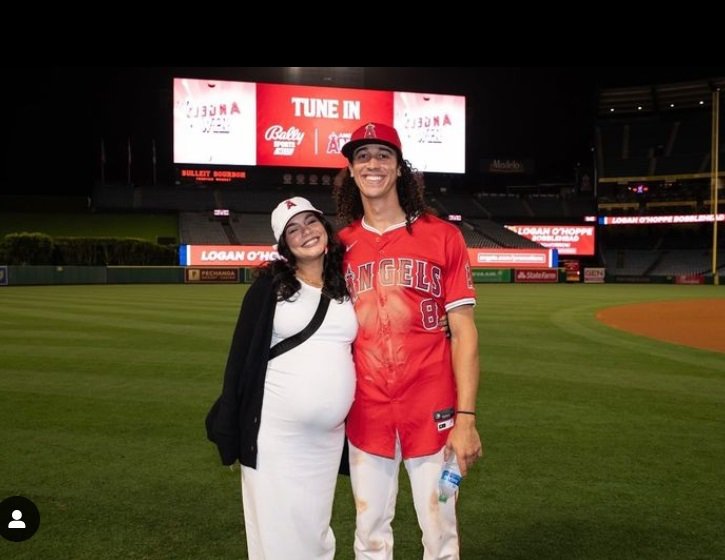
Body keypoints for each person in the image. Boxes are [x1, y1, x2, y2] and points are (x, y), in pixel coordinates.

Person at [334, 122, 483, 559]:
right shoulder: (340, 247)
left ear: (399, 168)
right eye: (363, 156)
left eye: (383, 155)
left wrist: (467, 417)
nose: (373, 164)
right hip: (366, 408)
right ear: (351, 169)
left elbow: (465, 331)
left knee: (440, 532)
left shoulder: (442, 236)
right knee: (370, 530)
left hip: (432, 406)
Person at [207, 196, 357, 559]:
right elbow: (240, 360)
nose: (305, 232)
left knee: (315, 528)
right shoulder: (269, 288)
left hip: (327, 440)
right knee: (276, 529)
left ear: (325, 226)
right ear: (283, 244)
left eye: (311, 222)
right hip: (276, 434)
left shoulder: (347, 286)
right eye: (293, 228)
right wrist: (230, 427)